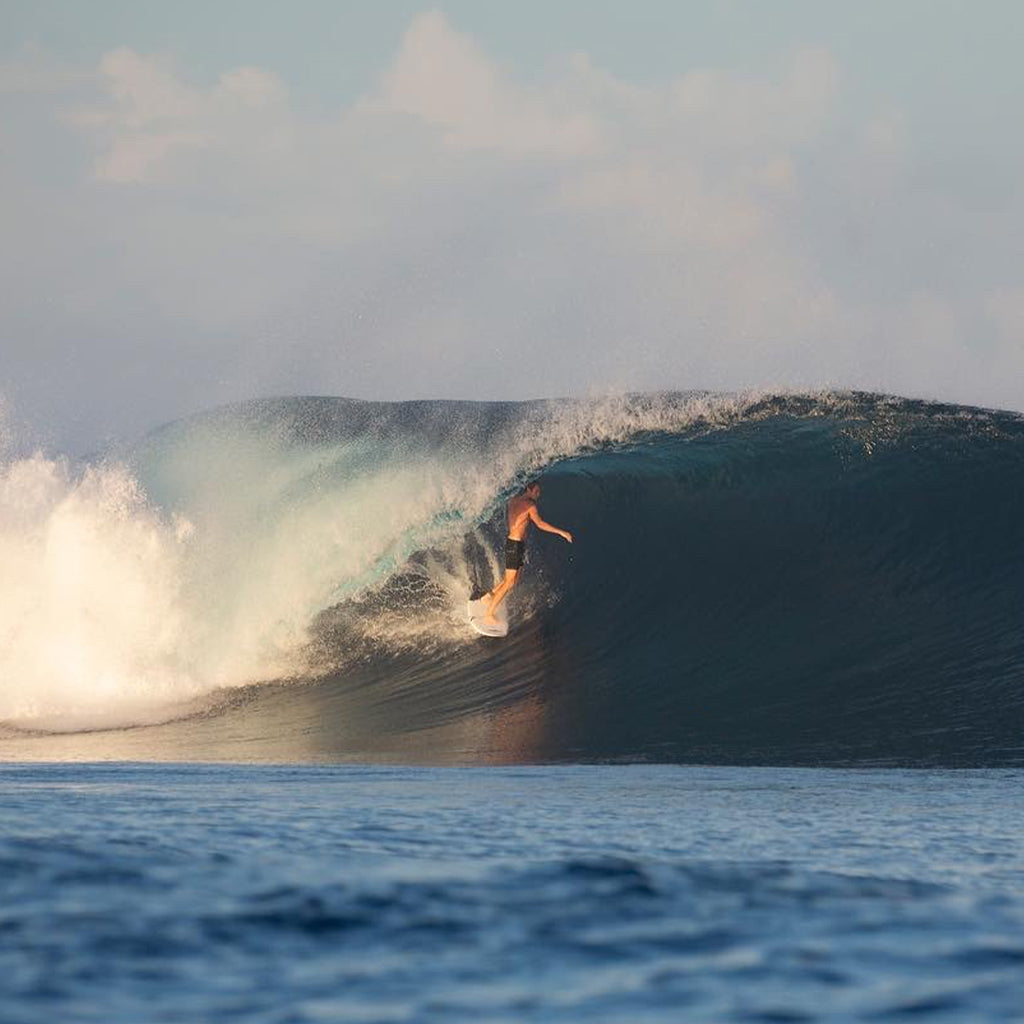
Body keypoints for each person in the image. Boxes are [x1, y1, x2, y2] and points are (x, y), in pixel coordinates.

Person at [483, 480, 572, 625]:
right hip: (515, 545)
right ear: (528, 490)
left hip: (513, 543)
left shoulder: (512, 500)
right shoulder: (530, 505)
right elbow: (540, 523)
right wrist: (561, 533)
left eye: (539, 491)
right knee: (510, 582)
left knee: (512, 579)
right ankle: (489, 614)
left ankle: (489, 597)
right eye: (536, 491)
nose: (538, 494)